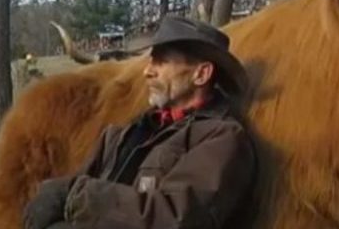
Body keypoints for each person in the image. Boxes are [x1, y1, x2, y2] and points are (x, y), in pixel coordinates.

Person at [23, 16, 256, 229]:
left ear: (201, 74)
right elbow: (76, 196)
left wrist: (74, 194)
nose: (147, 71)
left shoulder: (221, 138)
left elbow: (176, 217)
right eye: (150, 61)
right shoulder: (124, 133)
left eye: (161, 61)